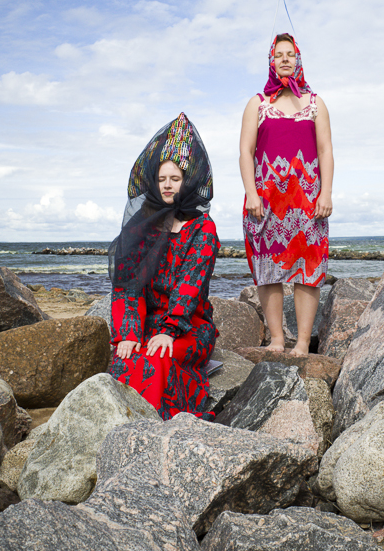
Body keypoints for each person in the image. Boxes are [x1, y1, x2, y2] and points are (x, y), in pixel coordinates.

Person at [108, 112, 219, 420]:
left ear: (188, 181)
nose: (167, 186)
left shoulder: (202, 228)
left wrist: (170, 330)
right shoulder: (145, 224)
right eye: (161, 180)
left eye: (175, 179)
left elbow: (190, 284)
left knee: (158, 356)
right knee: (126, 358)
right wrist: (129, 332)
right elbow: (128, 285)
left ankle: (157, 427)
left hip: (189, 325)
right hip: (147, 322)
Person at [240, 33, 334, 357]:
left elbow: (325, 151)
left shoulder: (316, 103)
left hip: (307, 201)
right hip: (265, 201)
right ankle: (277, 339)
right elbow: (245, 151)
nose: (284, 59)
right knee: (268, 269)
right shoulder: (258, 103)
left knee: (309, 269)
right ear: (271, 61)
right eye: (278, 55)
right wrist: (251, 193)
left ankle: (304, 342)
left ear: (298, 60)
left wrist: (326, 193)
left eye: (290, 54)